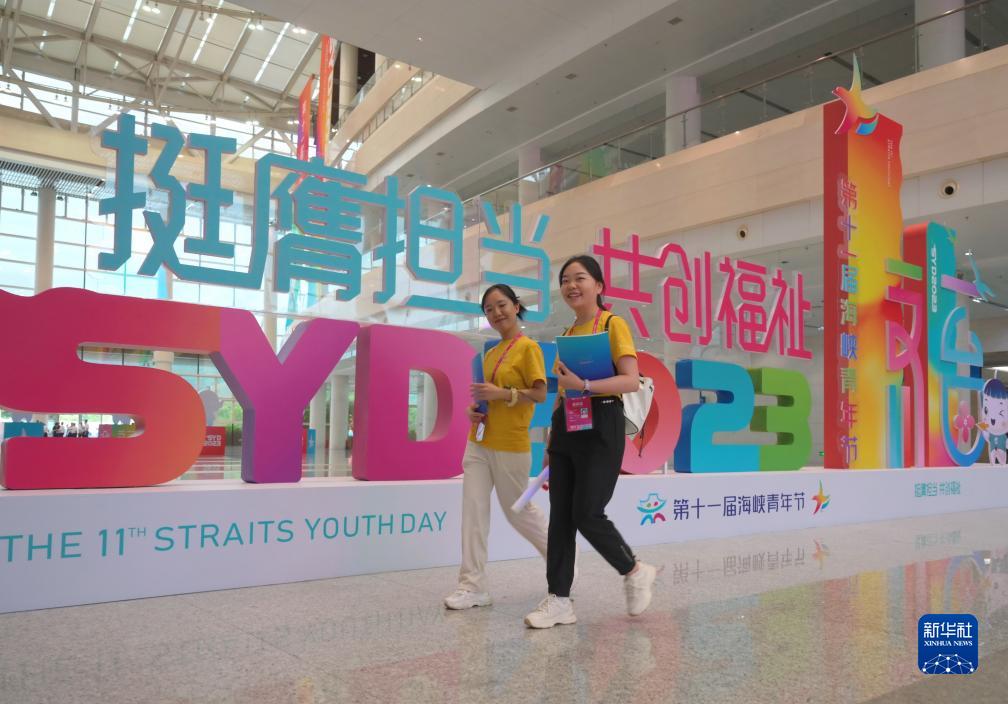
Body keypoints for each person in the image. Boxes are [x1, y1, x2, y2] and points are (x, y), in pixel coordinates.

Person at [524, 254, 657, 629]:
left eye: (579, 278)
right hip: (568, 425)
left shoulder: (613, 324)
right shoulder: (567, 336)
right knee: (561, 518)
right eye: (565, 280)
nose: (571, 285)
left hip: (603, 422)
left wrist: (584, 384)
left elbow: (630, 380)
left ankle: (634, 570)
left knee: (586, 512)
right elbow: (562, 393)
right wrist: (551, 440)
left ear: (598, 285)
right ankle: (559, 599)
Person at [444, 284, 551, 610]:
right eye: (489, 309)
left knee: (519, 512)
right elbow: (485, 397)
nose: (496, 313)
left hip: (511, 443)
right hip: (478, 442)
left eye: (501, 305)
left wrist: (503, 394)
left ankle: (562, 561)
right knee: (473, 512)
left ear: (516, 306)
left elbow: (540, 394)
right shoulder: (490, 353)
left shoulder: (528, 348)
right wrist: (473, 410)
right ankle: (472, 586)